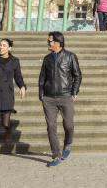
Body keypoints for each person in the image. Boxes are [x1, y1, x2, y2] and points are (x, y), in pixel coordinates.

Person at [39, 31, 82, 167]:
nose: (48, 43)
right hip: (49, 98)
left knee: (68, 125)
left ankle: (68, 144)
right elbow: (42, 78)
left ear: (58, 42)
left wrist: (74, 91)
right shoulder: (47, 59)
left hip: (65, 96)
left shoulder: (70, 56)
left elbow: (77, 75)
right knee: (51, 126)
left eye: (50, 41)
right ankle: (56, 155)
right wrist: (41, 93)